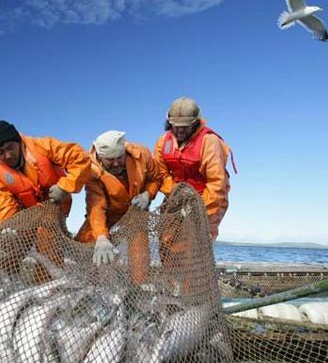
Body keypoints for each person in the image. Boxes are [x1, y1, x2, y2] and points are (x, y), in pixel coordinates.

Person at [75, 130, 162, 281]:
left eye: (119, 158)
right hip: (108, 214)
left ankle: (140, 286)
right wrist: (102, 238)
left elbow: (156, 178)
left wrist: (148, 194)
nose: (116, 163)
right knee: (83, 246)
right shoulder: (90, 171)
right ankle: (92, 282)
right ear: (100, 157)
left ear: (125, 151)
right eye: (110, 159)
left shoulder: (142, 154)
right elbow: (96, 207)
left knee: (139, 252)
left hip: (136, 212)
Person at [153, 97, 236, 240]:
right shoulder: (163, 142)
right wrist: (175, 192)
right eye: (175, 125)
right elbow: (160, 173)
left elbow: (217, 185)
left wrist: (197, 207)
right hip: (176, 197)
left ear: (195, 122)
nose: (179, 130)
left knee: (195, 244)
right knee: (167, 241)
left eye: (185, 126)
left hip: (207, 199)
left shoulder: (209, 141)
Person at [0, 120, 90, 223]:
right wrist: (8, 226)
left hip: (57, 207)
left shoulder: (43, 146)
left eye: (10, 148)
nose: (7, 155)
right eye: (0, 152)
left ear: (18, 142)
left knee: (50, 235)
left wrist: (65, 187)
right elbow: (3, 206)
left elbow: (80, 159)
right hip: (30, 219)